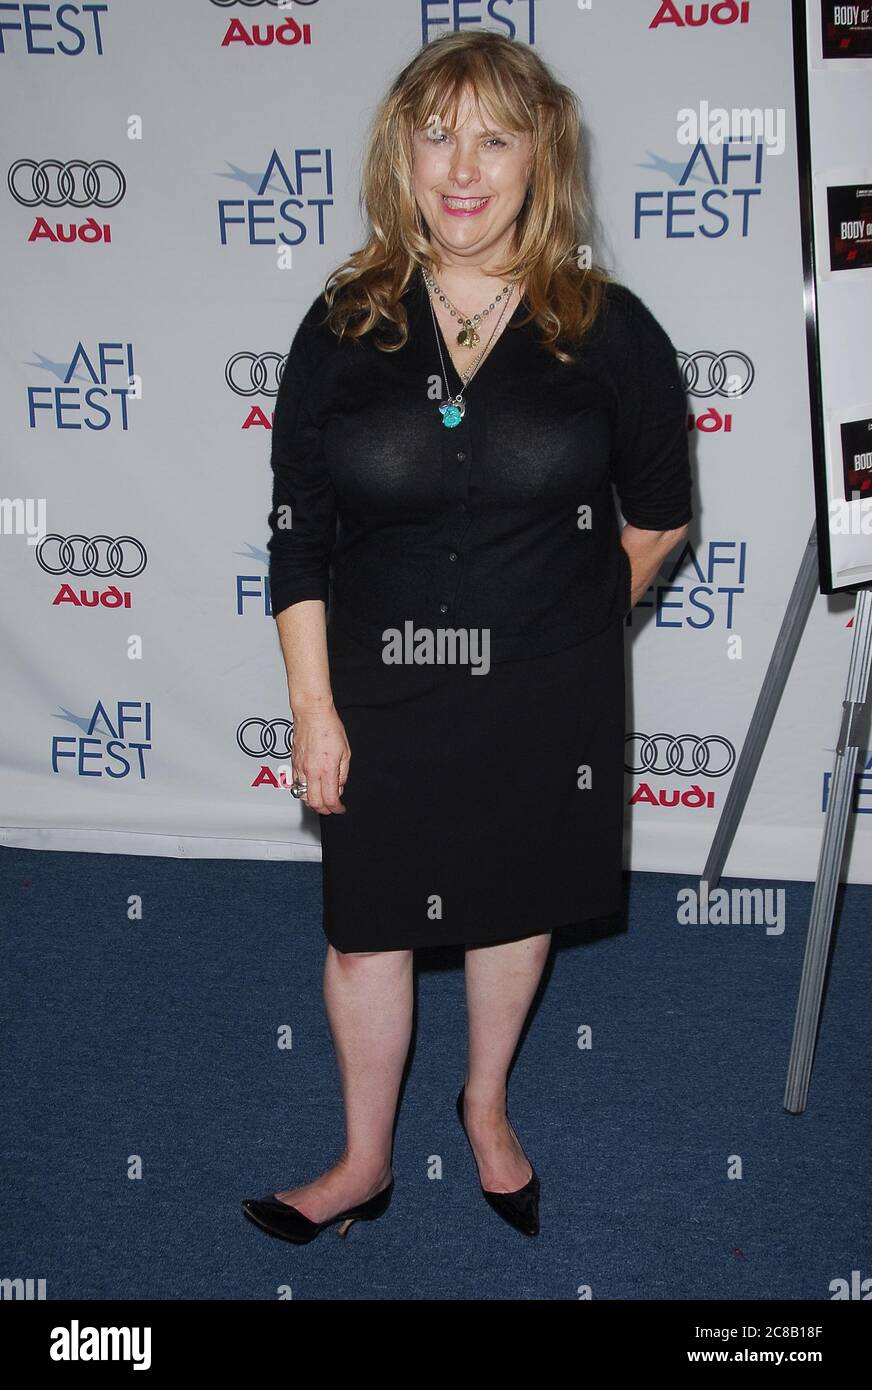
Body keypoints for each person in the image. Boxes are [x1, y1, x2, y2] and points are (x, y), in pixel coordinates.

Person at [242, 30, 692, 1246]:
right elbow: (296, 536)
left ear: (539, 154)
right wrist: (312, 704)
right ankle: (364, 1158)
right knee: (363, 934)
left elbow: (656, 515)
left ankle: (484, 1106)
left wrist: (568, 626)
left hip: (542, 695)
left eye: (494, 135)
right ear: (401, 149)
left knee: (510, 909)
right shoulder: (343, 326)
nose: (461, 167)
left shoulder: (608, 330)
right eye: (436, 132)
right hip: (377, 693)